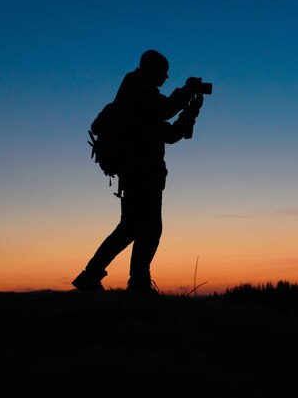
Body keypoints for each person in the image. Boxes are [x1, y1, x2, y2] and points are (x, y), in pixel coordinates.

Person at [72, 49, 206, 293]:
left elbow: (171, 134)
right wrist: (187, 90)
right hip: (140, 172)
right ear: (150, 69)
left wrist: (191, 111)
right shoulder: (135, 91)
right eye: (164, 72)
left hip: (143, 172)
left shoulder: (142, 98)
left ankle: (99, 277)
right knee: (147, 228)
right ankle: (136, 283)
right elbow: (165, 110)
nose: (166, 78)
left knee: (132, 227)